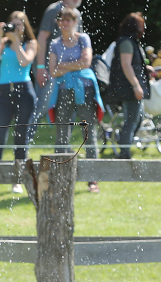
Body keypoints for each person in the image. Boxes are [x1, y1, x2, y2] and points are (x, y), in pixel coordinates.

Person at [47, 7, 102, 193]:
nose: (65, 23)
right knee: (62, 134)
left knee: (89, 132)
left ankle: (92, 179)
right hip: (64, 91)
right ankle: (60, 177)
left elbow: (86, 62)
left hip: (84, 89)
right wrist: (72, 66)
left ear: (75, 21)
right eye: (62, 19)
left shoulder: (83, 38)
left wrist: (64, 66)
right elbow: (53, 71)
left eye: (68, 20)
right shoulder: (55, 43)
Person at [0, 11, 37, 195]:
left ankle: (18, 180)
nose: (15, 28)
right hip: (3, 91)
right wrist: (1, 36)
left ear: (24, 26)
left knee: (21, 136)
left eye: (19, 24)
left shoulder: (30, 43)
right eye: (12, 24)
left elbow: (24, 62)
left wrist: (16, 40)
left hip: (24, 91)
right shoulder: (4, 42)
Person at [29, 0, 83, 144]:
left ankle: (64, 147)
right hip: (49, 69)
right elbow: (42, 37)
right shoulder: (54, 10)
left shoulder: (76, 14)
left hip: (69, 71)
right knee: (42, 106)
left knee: (68, 108)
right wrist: (41, 67)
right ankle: (23, 146)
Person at [107, 13, 154, 161]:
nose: (143, 28)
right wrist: (136, 86)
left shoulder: (130, 41)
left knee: (137, 118)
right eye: (141, 25)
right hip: (128, 88)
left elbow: (131, 64)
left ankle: (123, 143)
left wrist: (147, 69)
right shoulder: (126, 42)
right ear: (135, 27)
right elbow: (126, 65)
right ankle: (124, 154)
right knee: (131, 120)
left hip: (128, 86)